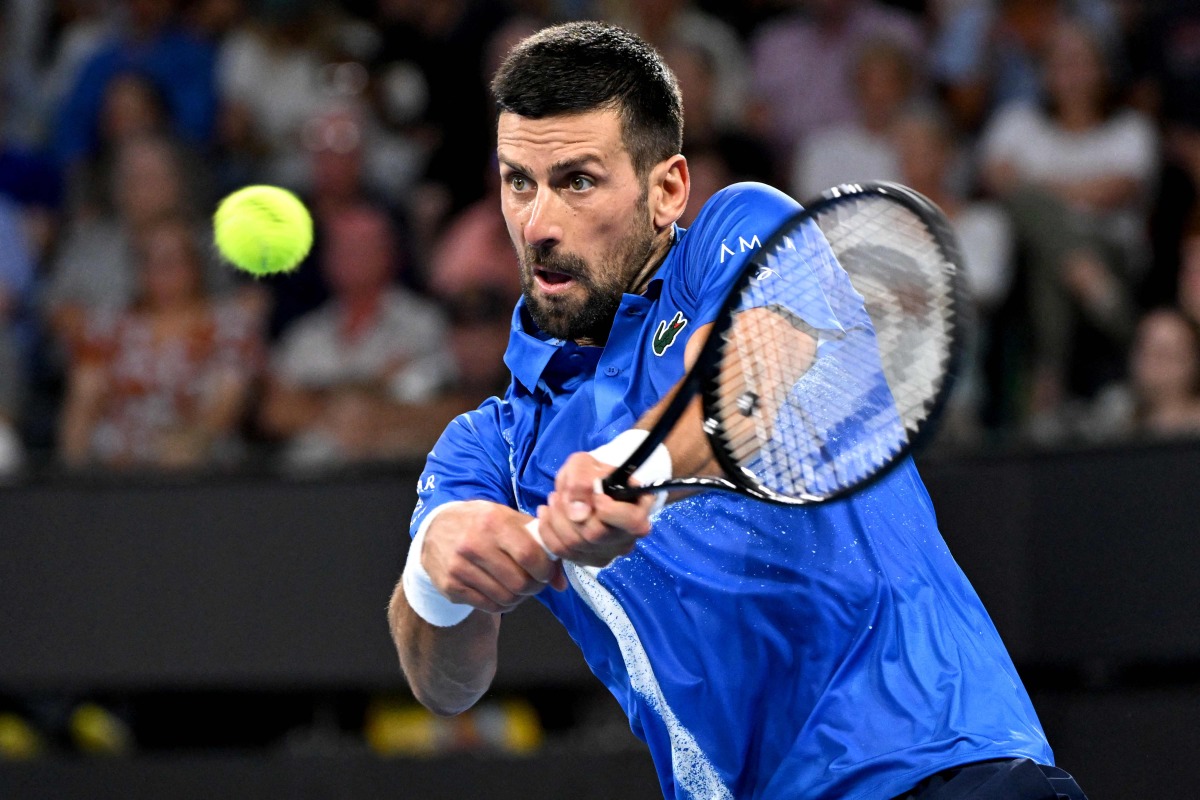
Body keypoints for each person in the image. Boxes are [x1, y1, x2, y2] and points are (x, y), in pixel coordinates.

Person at [388, 22, 1088, 800]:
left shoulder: (741, 229)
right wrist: (441, 573)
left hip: (944, 765)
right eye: (519, 181)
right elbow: (444, 684)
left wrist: (638, 467)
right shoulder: (490, 450)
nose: (540, 223)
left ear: (668, 189)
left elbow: (750, 376)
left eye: (578, 180)